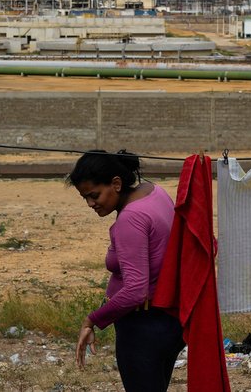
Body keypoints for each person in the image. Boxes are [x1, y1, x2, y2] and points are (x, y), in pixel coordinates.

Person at [68, 149, 185, 392]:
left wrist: (91, 320)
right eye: (85, 198)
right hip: (170, 320)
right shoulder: (152, 191)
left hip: (144, 327)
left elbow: (134, 290)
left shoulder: (130, 219)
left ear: (117, 183)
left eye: (95, 195)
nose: (90, 204)